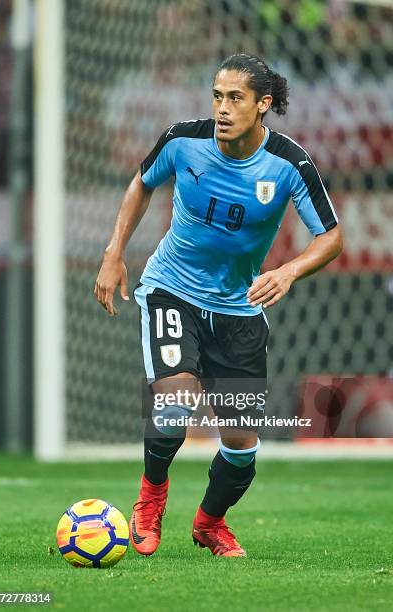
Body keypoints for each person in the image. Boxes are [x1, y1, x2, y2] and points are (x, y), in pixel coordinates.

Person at [94, 54, 343, 558]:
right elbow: (141, 183)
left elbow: (332, 236)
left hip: (239, 309)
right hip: (172, 290)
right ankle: (151, 497)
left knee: (242, 449)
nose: (222, 108)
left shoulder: (289, 164)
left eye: (235, 98)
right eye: (217, 96)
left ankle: (209, 522)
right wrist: (114, 252)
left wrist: (289, 269)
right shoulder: (182, 140)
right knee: (173, 406)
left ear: (262, 104)